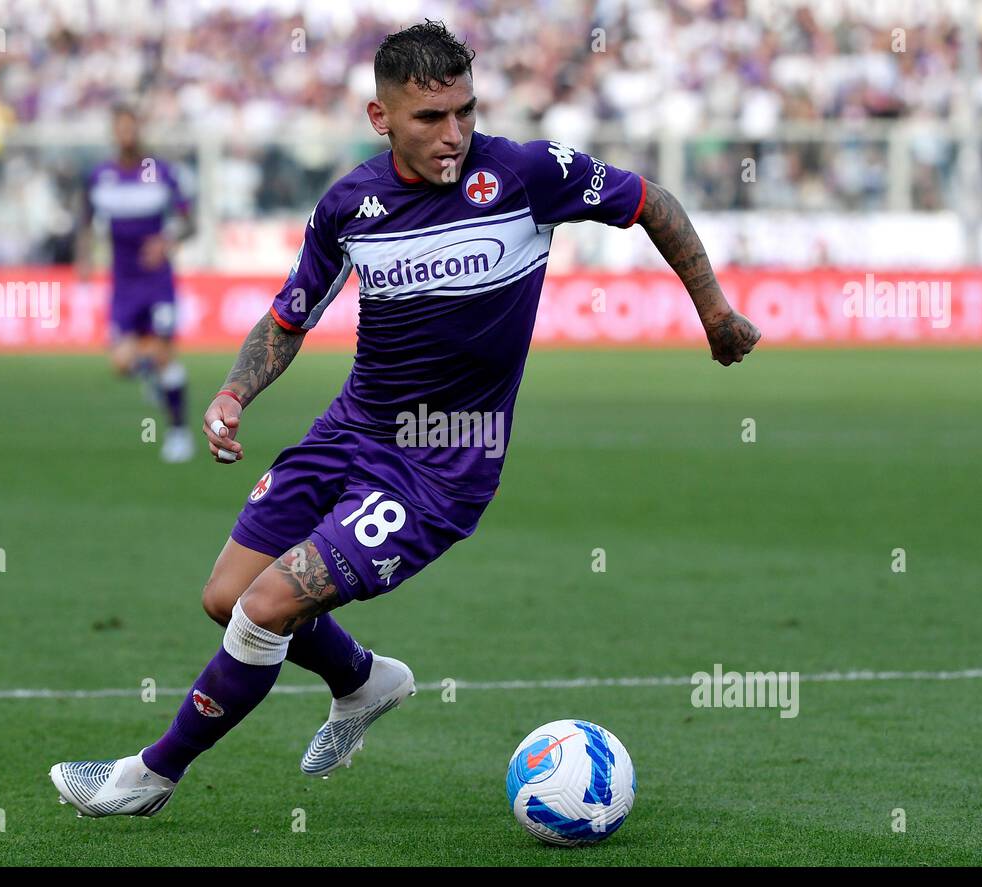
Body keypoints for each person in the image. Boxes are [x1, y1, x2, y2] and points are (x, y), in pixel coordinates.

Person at [50, 21, 760, 817]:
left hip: (443, 462)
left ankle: (151, 776)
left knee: (265, 610)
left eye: (464, 110)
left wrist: (717, 314)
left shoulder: (527, 174)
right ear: (379, 117)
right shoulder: (352, 205)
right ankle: (362, 681)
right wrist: (231, 394)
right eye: (429, 118)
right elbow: (290, 317)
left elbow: (648, 201)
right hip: (350, 432)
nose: (453, 134)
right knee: (227, 596)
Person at [80, 104, 197, 461]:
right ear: (113, 134)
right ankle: (152, 376)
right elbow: (86, 221)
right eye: (120, 129)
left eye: (131, 128)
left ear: (139, 131)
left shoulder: (160, 171)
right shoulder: (100, 176)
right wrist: (83, 256)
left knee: (165, 354)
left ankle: (178, 433)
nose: (126, 135)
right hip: (123, 282)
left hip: (157, 280)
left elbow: (187, 218)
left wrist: (167, 241)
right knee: (120, 362)